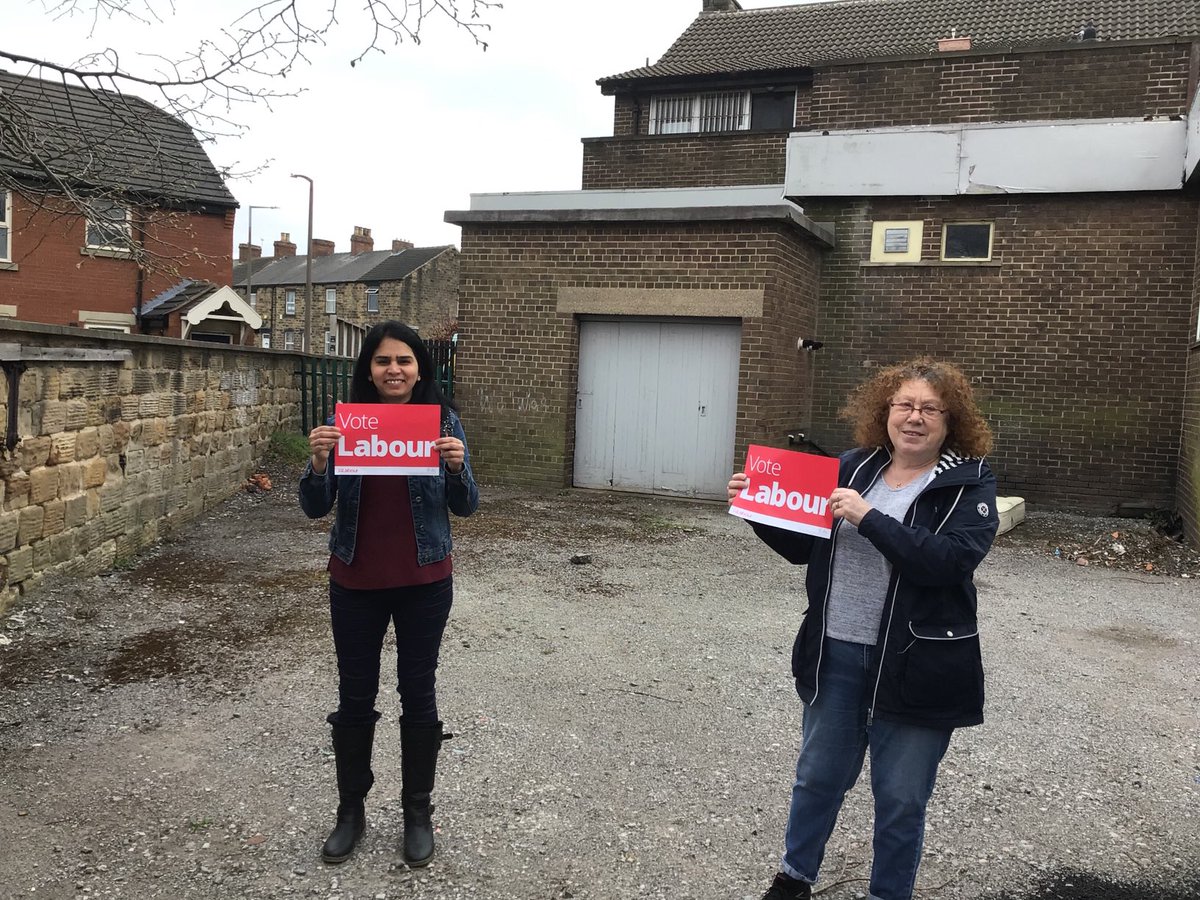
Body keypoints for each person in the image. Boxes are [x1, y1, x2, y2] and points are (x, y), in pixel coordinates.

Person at [729, 357, 998, 900]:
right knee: (817, 779)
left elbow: (947, 563)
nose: (914, 417)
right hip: (837, 652)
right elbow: (803, 548)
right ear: (885, 412)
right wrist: (757, 508)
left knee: (901, 798)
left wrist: (869, 517)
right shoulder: (853, 468)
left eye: (930, 408)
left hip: (916, 663)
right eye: (904, 405)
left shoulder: (969, 484)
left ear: (951, 421)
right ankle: (793, 878)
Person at [299, 321, 479, 868]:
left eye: (404, 360)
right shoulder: (344, 423)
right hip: (354, 581)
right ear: (368, 369)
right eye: (383, 361)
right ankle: (350, 812)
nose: (394, 370)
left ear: (420, 368)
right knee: (355, 698)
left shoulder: (442, 422)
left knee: (417, 693)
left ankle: (417, 813)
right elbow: (314, 506)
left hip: (425, 582)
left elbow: (468, 504)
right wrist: (317, 464)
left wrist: (456, 466)